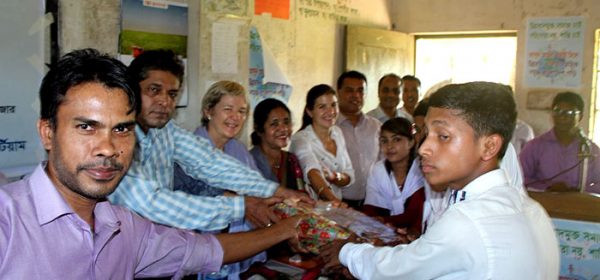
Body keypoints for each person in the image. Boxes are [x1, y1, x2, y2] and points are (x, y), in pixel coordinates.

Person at [0, 49, 302, 279]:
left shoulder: (124, 228)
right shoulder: (8, 223)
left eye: (121, 129)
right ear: (47, 133)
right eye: (86, 127)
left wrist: (284, 217)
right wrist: (245, 207)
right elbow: (154, 202)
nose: (107, 148)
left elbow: (203, 247)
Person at [321, 82, 559, 279]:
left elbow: (397, 270)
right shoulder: (532, 210)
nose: (424, 148)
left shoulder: (468, 220)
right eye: (425, 134)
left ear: (489, 146)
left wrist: (347, 252)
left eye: (443, 136)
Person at [109, 49, 309, 233]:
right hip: (123, 251)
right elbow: (152, 203)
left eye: (172, 94)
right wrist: (241, 207)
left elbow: (210, 162)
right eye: (154, 90)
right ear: (132, 91)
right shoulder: (114, 140)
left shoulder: (166, 130)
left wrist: (277, 191)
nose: (164, 101)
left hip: (161, 249)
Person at [171, 80, 265, 279]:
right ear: (208, 111)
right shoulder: (187, 150)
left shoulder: (239, 150)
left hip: (235, 248)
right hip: (196, 252)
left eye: (241, 111)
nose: (235, 117)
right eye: (228, 109)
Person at [520, 91, 600, 193]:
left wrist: (578, 191)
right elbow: (520, 177)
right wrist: (547, 188)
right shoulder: (535, 147)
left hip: (580, 206)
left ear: (580, 116)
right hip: (543, 205)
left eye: (570, 113)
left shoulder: (591, 149)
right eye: (558, 111)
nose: (563, 117)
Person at [290, 84, 354, 203]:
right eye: (322, 107)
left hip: (335, 209)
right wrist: (334, 201)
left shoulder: (337, 132)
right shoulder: (300, 139)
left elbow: (349, 176)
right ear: (310, 112)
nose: (330, 111)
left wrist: (334, 177)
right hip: (312, 210)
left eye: (334, 105)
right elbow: (312, 172)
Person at [362, 117, 425, 236]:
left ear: (411, 142)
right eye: (384, 141)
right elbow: (369, 209)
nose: (389, 146)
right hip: (383, 235)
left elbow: (413, 215)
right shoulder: (378, 170)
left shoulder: (421, 171)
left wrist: (382, 221)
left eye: (397, 140)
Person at [335, 70, 381, 208]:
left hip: (373, 203)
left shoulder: (377, 126)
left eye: (360, 90)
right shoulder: (330, 128)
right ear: (338, 92)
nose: (356, 95)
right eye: (349, 90)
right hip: (340, 202)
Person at [249, 98, 305, 191]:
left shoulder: (291, 160)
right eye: (274, 124)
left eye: (286, 122)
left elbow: (301, 194)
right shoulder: (249, 161)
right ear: (259, 129)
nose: (283, 129)